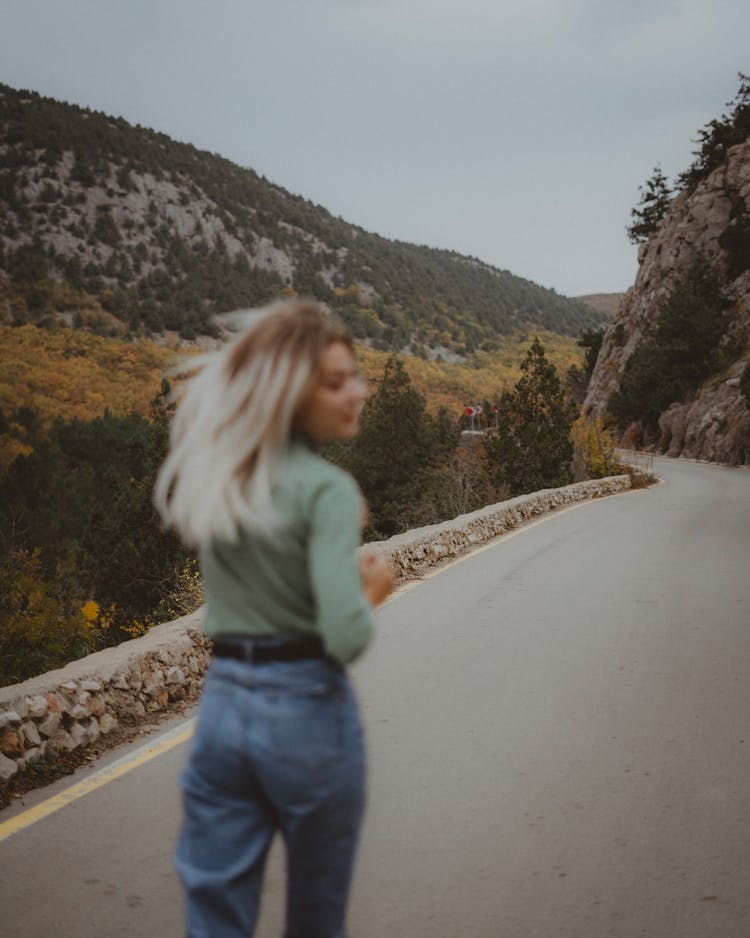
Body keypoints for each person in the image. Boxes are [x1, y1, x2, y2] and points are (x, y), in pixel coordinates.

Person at [154, 298, 395, 938]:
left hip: (224, 710)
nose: (359, 392)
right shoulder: (326, 491)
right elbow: (344, 637)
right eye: (337, 381)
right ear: (293, 392)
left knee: (215, 921)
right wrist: (371, 588)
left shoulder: (221, 475)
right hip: (308, 714)